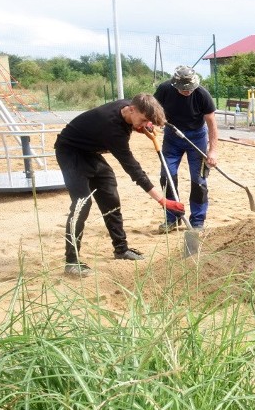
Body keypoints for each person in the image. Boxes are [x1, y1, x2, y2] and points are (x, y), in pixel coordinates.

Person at [54, 93, 185, 277]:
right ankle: (71, 261)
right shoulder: (112, 129)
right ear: (131, 109)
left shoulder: (131, 107)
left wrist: (143, 125)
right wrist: (161, 200)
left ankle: (121, 250)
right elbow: (132, 168)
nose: (143, 123)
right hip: (70, 152)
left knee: (110, 197)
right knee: (82, 204)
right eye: (143, 119)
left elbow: (138, 120)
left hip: (90, 152)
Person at [153, 65, 219, 233]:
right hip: (172, 137)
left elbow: (212, 124)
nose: (187, 91)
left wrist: (212, 151)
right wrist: (151, 121)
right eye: (184, 89)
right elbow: (152, 109)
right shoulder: (165, 89)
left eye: (190, 88)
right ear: (175, 85)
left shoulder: (202, 94)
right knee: (167, 176)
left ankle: (197, 221)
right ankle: (172, 218)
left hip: (196, 138)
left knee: (199, 180)